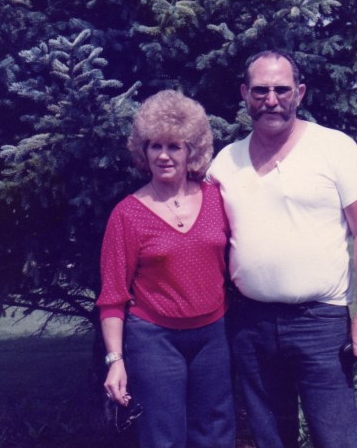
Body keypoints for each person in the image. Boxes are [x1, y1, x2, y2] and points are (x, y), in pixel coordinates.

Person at [208, 50, 357, 447]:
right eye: (260, 90)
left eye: (281, 89)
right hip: (250, 325)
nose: (271, 100)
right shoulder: (224, 162)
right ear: (244, 94)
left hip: (319, 322)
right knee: (270, 439)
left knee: (335, 439)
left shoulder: (335, 148)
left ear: (299, 93)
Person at [96, 90, 235, 447]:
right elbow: (112, 297)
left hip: (213, 335)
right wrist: (115, 360)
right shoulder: (127, 214)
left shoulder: (217, 198)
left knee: (216, 433)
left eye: (174, 146)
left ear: (192, 151)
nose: (163, 155)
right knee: (162, 437)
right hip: (155, 340)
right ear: (143, 151)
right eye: (155, 146)